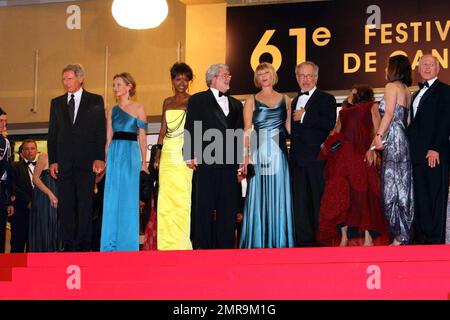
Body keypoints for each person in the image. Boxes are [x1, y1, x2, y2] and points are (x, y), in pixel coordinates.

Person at [318, 85, 388, 246]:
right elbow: (336, 131)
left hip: (362, 156)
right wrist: (325, 145)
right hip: (342, 159)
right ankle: (344, 237)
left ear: (357, 93)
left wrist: (372, 150)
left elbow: (378, 130)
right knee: (342, 197)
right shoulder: (343, 112)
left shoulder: (372, 106)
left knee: (365, 197)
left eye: (351, 92)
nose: (349, 94)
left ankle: (368, 238)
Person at [183, 63, 244, 249]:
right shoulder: (197, 100)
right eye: (225, 75)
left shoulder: (236, 103)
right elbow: (190, 127)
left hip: (230, 163)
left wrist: (242, 162)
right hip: (206, 160)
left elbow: (240, 133)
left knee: (228, 207)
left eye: (229, 75)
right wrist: (188, 154)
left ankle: (225, 248)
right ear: (213, 78)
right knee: (204, 207)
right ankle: (203, 248)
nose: (229, 78)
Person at [47, 63, 106, 252]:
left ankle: (84, 246)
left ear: (80, 78)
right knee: (66, 206)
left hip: (86, 162)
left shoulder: (95, 100)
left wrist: (99, 157)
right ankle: (68, 245)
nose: (66, 82)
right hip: (64, 163)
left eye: (70, 78)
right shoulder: (56, 103)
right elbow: (53, 133)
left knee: (84, 205)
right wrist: (53, 160)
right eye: (64, 79)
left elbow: (100, 130)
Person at [239, 62, 295, 248]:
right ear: (257, 77)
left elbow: (289, 129)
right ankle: (257, 242)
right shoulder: (251, 100)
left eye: (267, 73)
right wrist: (245, 157)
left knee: (280, 196)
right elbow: (247, 130)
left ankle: (280, 242)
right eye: (260, 73)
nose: (264, 76)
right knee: (258, 195)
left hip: (279, 153)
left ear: (273, 75)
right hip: (259, 153)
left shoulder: (286, 99)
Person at [290, 61, 337, 247]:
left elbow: (329, 123)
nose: (305, 79)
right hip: (297, 161)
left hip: (318, 161)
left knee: (319, 202)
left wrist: (304, 116)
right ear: (297, 78)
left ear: (316, 78)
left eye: (309, 76)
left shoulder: (327, 99)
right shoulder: (294, 100)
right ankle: (303, 244)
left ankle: (321, 243)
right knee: (300, 204)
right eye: (302, 76)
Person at [100, 72, 148, 252]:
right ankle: (110, 244)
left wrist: (144, 163)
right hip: (114, 154)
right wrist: (106, 161)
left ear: (129, 86)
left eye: (119, 84)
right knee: (112, 198)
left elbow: (142, 139)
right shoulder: (112, 110)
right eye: (114, 85)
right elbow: (108, 138)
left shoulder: (139, 109)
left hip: (130, 153)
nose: (115, 88)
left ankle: (127, 245)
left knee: (128, 199)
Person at [406, 54, 450, 244]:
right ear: (419, 68)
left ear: (438, 69)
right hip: (416, 155)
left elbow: (445, 121)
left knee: (435, 197)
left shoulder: (445, 91)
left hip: (434, 154)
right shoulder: (415, 93)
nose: (426, 67)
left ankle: (435, 241)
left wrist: (435, 148)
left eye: (431, 64)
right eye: (423, 64)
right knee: (420, 197)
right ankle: (422, 239)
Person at [371, 55, 414, 246]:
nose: (384, 70)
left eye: (386, 66)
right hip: (404, 139)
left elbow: (388, 114)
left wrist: (378, 136)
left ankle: (399, 236)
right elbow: (408, 121)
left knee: (390, 189)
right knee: (403, 186)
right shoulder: (407, 90)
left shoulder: (390, 87)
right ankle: (403, 235)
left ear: (393, 68)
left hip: (393, 139)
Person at [154, 62, 194, 251]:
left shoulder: (193, 101)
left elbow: (195, 130)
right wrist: (157, 155)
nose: (182, 83)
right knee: (166, 198)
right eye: (178, 79)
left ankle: (182, 243)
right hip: (168, 153)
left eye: (186, 79)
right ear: (172, 80)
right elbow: (162, 130)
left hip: (184, 153)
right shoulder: (167, 102)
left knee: (183, 198)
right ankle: (166, 244)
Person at [9, 139, 38, 252]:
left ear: (36, 151)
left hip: (38, 213)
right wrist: (29, 201)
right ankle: (14, 269)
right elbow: (14, 187)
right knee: (17, 245)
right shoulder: (14, 166)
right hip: (20, 211)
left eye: (32, 148)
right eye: (26, 149)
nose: (29, 151)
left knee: (35, 245)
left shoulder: (44, 168)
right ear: (21, 152)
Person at [29, 152, 60, 252]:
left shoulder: (66, 156)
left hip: (60, 194)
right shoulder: (44, 156)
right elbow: (35, 178)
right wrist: (50, 194)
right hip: (45, 196)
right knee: (45, 225)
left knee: (58, 225)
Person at [0, 108, 13, 253]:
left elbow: (7, 171)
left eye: (5, 121)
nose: (4, 124)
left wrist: (9, 199)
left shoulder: (5, 141)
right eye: (1, 121)